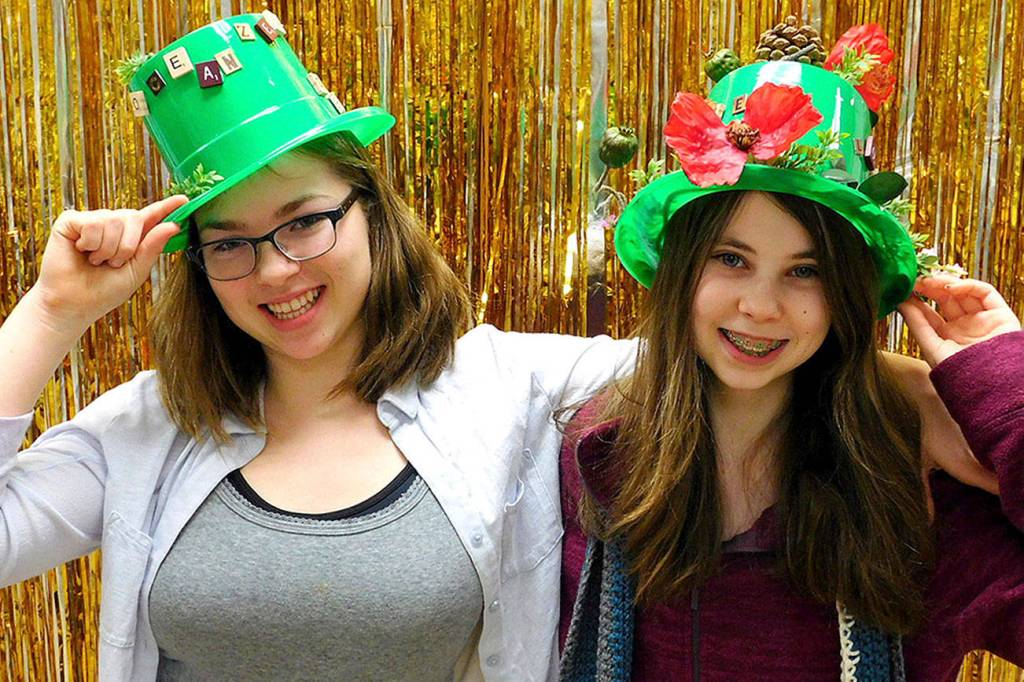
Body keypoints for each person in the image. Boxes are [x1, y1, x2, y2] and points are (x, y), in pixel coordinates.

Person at [0, 13, 982, 682]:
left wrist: (933, 379)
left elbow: (732, 348)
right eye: (231, 243)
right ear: (197, 263)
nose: (275, 269)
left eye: (304, 220)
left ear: (372, 211)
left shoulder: (512, 387)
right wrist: (50, 312)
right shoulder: (150, 426)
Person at [558, 26, 1024, 682]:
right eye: (731, 258)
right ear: (680, 269)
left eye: (805, 272)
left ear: (845, 294)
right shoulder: (599, 453)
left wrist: (1002, 384)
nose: (760, 306)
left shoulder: (911, 481)